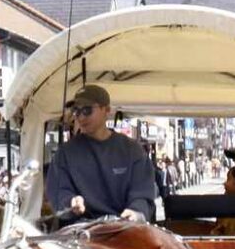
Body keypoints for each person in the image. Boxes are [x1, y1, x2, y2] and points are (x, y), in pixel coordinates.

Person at [45, 85, 156, 223]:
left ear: (107, 110)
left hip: (124, 228)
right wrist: (70, 201)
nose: (81, 117)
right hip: (79, 232)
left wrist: (136, 211)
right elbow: (59, 192)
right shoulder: (64, 154)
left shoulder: (132, 150)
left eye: (87, 110)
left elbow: (143, 193)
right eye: (76, 111)